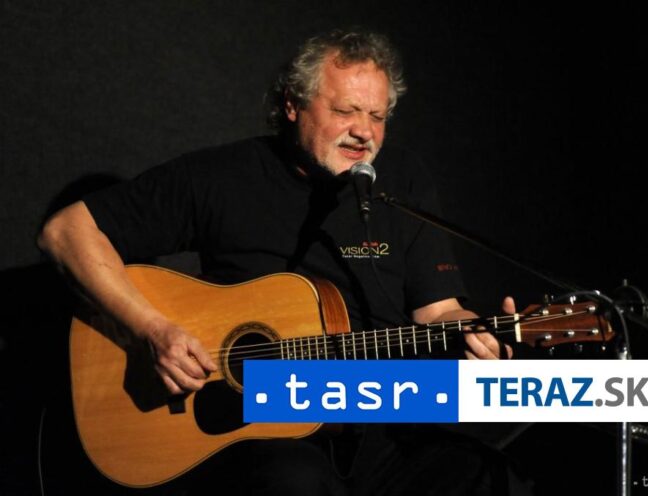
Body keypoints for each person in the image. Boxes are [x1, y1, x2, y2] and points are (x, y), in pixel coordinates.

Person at [38, 29, 526, 495]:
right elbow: (65, 233)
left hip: (384, 419)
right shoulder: (222, 177)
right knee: (294, 481)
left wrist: (478, 336)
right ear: (293, 104)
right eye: (345, 110)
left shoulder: (402, 179)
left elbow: (439, 312)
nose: (364, 132)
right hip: (259, 433)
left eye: (378, 116)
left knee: (487, 475)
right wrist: (152, 329)